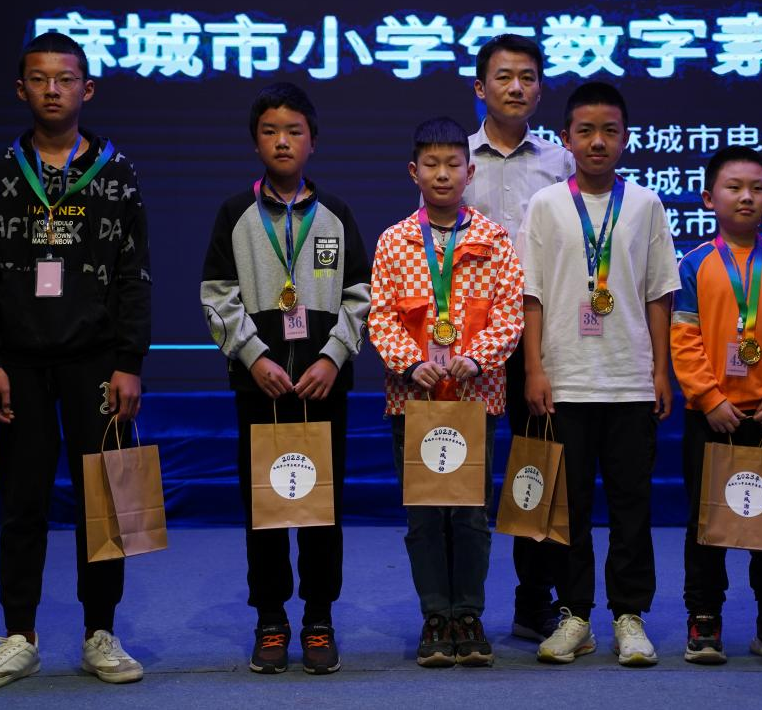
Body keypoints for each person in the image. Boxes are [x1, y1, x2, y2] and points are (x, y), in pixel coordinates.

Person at [0, 31, 151, 690]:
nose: (53, 90)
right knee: (22, 501)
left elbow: (134, 275)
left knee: (106, 501)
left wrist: (129, 361)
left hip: (97, 362)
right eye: (39, 79)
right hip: (18, 362)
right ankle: (19, 635)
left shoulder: (117, 171)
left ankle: (101, 632)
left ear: (86, 89)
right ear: (21, 89)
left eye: (65, 79)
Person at [200, 82, 370, 675]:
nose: (282, 141)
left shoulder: (337, 215)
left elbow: (360, 295)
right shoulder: (235, 215)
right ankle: (270, 619)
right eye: (270, 131)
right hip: (260, 387)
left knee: (323, 507)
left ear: (312, 142)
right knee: (265, 506)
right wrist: (253, 357)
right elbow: (217, 294)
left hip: (324, 386)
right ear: (256, 143)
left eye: (294, 131)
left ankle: (319, 618)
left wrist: (332, 357)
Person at [520, 82, 678, 667]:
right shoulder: (545, 205)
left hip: (629, 379)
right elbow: (531, 294)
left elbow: (659, 294)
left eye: (609, 130)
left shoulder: (645, 204)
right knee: (569, 508)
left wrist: (661, 370)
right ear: (565, 138)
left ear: (626, 138)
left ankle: (629, 616)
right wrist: (534, 368)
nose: (597, 141)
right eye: (585, 131)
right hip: (564, 380)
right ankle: (575, 615)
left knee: (632, 504)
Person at [369, 117, 524, 667]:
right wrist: (413, 364)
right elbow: (380, 317)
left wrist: (475, 358)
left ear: (469, 171)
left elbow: (509, 314)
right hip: (413, 404)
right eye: (431, 164)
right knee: (424, 516)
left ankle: (469, 615)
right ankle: (436, 616)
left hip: (474, 402)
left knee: (471, 515)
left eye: (452, 164)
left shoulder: (493, 239)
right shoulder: (394, 241)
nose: (442, 174)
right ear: (414, 172)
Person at [671, 147, 762, 667]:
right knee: (706, 524)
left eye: (757, 188)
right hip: (712, 418)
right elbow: (683, 339)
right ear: (708, 198)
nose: (746, 197)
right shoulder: (694, 264)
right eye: (733, 187)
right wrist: (709, 397)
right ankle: (704, 618)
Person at [464, 33, 574, 641]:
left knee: (537, 467)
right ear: (480, 87)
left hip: (540, 339)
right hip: (469, 344)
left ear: (540, 89)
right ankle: (461, 607)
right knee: (467, 471)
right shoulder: (455, 158)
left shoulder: (560, 163)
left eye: (527, 77)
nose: (516, 87)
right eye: (503, 76)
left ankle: (534, 601)